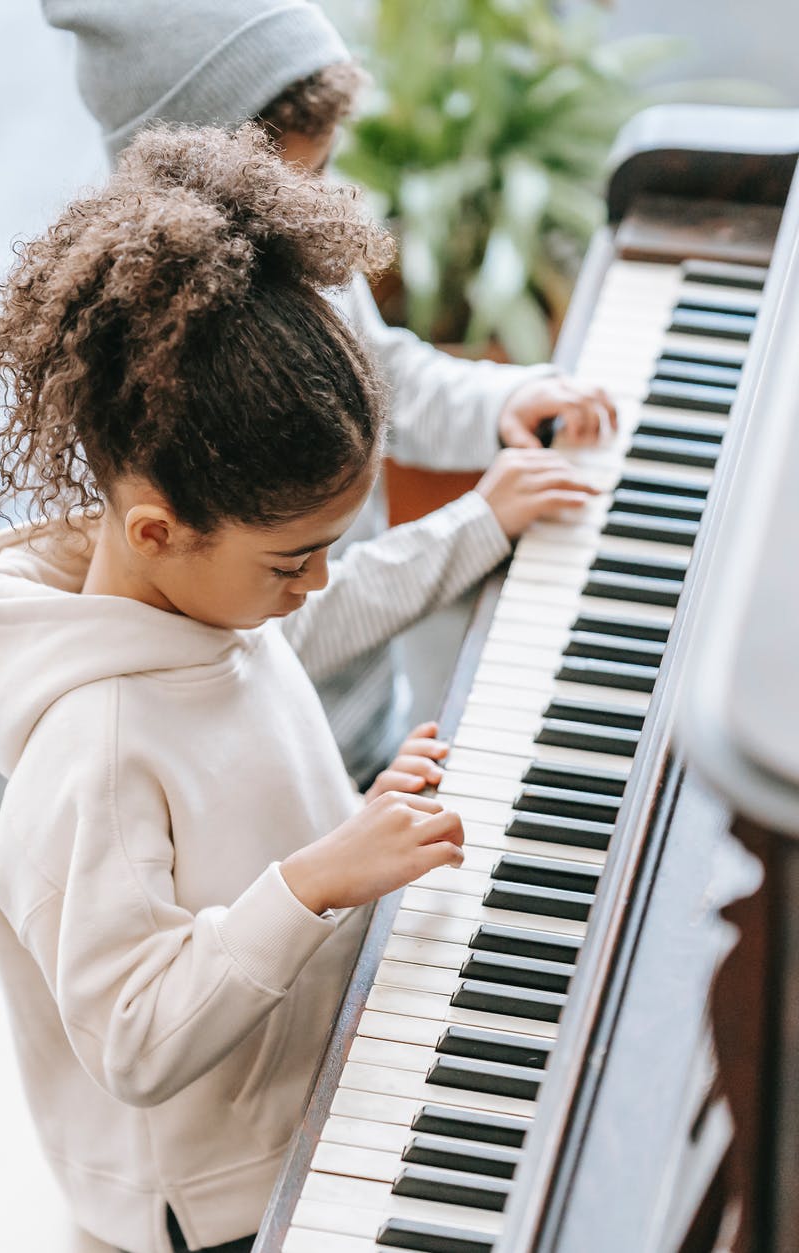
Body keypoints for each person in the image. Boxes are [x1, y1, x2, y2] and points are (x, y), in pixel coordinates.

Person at [0, 126, 592, 1253]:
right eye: (289, 560)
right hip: (214, 1199)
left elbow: (318, 628)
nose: (313, 584)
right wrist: (318, 877)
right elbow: (134, 1035)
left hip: (300, 1061)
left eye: (323, 548)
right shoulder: (100, 747)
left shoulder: (201, 602)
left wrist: (480, 519)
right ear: (159, 531)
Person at [41, 0, 619, 782]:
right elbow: (272, 631)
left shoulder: (287, 238)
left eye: (319, 171)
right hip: (276, 769)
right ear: (190, 165)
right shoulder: (159, 373)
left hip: (364, 710)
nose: (310, 198)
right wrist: (479, 524)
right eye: (292, 175)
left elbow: (386, 375)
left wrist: (498, 405)